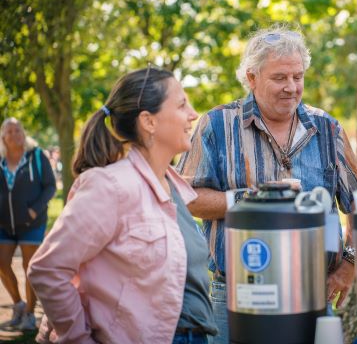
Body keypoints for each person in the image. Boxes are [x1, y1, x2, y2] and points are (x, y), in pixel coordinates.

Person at [177, 26, 357, 344]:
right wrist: (249, 199)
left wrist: (349, 263)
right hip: (237, 294)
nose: (291, 87)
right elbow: (186, 196)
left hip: (312, 291)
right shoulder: (216, 125)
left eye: (298, 77)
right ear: (251, 78)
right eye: (279, 78)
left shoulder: (327, 128)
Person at [28, 66, 218, 343]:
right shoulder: (111, 187)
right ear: (148, 122)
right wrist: (78, 338)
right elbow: (48, 269)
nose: (193, 114)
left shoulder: (174, 187)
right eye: (181, 105)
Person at [0, 118, 56, 331]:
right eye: (10, 131)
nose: (15, 134)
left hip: (32, 223)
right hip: (4, 223)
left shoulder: (37, 156)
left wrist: (33, 210)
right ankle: (18, 304)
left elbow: (50, 186)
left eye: (18, 130)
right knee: (2, 263)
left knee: (29, 267)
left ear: (24, 133)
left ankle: (30, 315)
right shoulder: (1, 160)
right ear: (3, 138)